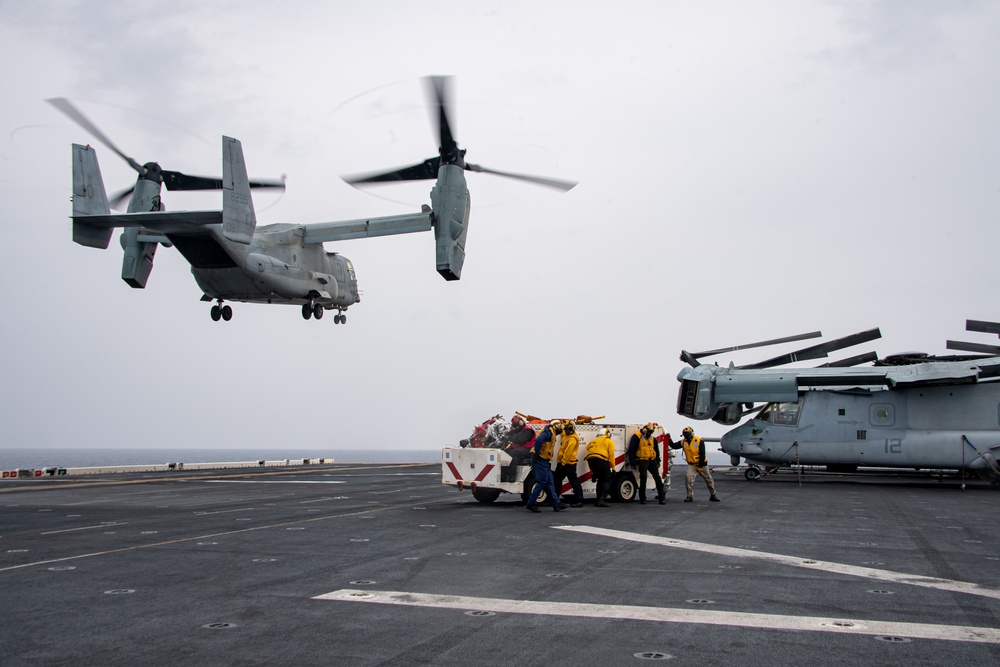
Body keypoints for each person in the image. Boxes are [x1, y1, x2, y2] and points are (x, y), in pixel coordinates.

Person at [525, 420, 567, 513]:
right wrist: (537, 454)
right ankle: (531, 503)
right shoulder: (548, 433)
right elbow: (539, 441)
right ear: (556, 427)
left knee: (550, 482)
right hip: (540, 460)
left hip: (543, 460)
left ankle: (556, 504)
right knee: (542, 481)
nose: (561, 430)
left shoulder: (549, 432)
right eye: (560, 427)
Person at [671, 426, 719, 502]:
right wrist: (669, 438)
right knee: (688, 479)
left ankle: (713, 495)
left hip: (702, 464)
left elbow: (702, 454)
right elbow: (674, 446)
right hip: (691, 464)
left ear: (691, 434)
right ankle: (689, 496)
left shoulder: (699, 440)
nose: (686, 436)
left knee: (708, 479)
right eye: (685, 435)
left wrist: (700, 466)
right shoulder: (683, 442)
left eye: (687, 435)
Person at [627, 422, 665, 505]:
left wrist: (658, 461)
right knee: (643, 478)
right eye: (648, 432)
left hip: (652, 459)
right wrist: (632, 462)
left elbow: (656, 450)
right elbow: (632, 449)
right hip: (643, 460)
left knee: (657, 478)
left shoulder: (652, 438)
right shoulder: (637, 437)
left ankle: (661, 498)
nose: (649, 434)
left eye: (651, 432)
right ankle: (642, 498)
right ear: (644, 430)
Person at [553, 421, 584, 507]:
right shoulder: (566, 436)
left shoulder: (573, 439)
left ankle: (579, 500)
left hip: (569, 464)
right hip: (563, 463)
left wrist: (562, 463)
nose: (566, 430)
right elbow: (563, 432)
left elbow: (568, 453)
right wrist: (563, 423)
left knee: (573, 481)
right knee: (557, 481)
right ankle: (555, 499)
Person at [585, 427, 615, 507]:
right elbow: (611, 456)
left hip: (590, 459)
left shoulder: (593, 441)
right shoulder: (609, 441)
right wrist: (614, 468)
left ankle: (598, 499)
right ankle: (601, 499)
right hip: (601, 460)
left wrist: (594, 473)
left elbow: (587, 447)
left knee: (600, 479)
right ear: (608, 434)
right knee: (606, 479)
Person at [501, 415, 535, 482]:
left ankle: (512, 476)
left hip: (528, 450)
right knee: (504, 452)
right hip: (521, 449)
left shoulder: (528, 430)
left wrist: (509, 438)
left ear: (520, 422)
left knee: (513, 453)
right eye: (515, 426)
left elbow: (520, 440)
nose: (516, 427)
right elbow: (511, 434)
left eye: (517, 425)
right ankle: (503, 475)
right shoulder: (518, 430)